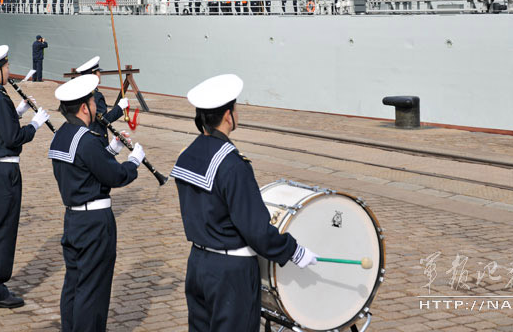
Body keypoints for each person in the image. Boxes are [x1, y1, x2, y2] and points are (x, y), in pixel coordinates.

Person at [171, 74, 318, 331]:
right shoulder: (233, 164)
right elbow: (257, 230)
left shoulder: (187, 155)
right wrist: (293, 250)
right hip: (230, 273)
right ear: (228, 116)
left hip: (197, 264)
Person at [49, 74, 144, 332]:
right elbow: (113, 176)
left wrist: (110, 150)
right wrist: (133, 163)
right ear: (84, 107)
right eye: (93, 103)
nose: (95, 108)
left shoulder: (62, 135)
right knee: (94, 289)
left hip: (74, 219)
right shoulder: (87, 139)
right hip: (94, 223)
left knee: (74, 284)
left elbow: (84, 168)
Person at [0, 45, 51, 308]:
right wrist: (35, 124)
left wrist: (17, 112)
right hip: (3, 170)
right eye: (6, 68)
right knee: (2, 228)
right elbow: (13, 137)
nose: (9, 72)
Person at [74, 57, 128, 141]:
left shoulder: (81, 92)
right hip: (96, 138)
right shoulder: (96, 96)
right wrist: (120, 107)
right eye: (99, 72)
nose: (100, 75)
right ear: (93, 75)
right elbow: (104, 120)